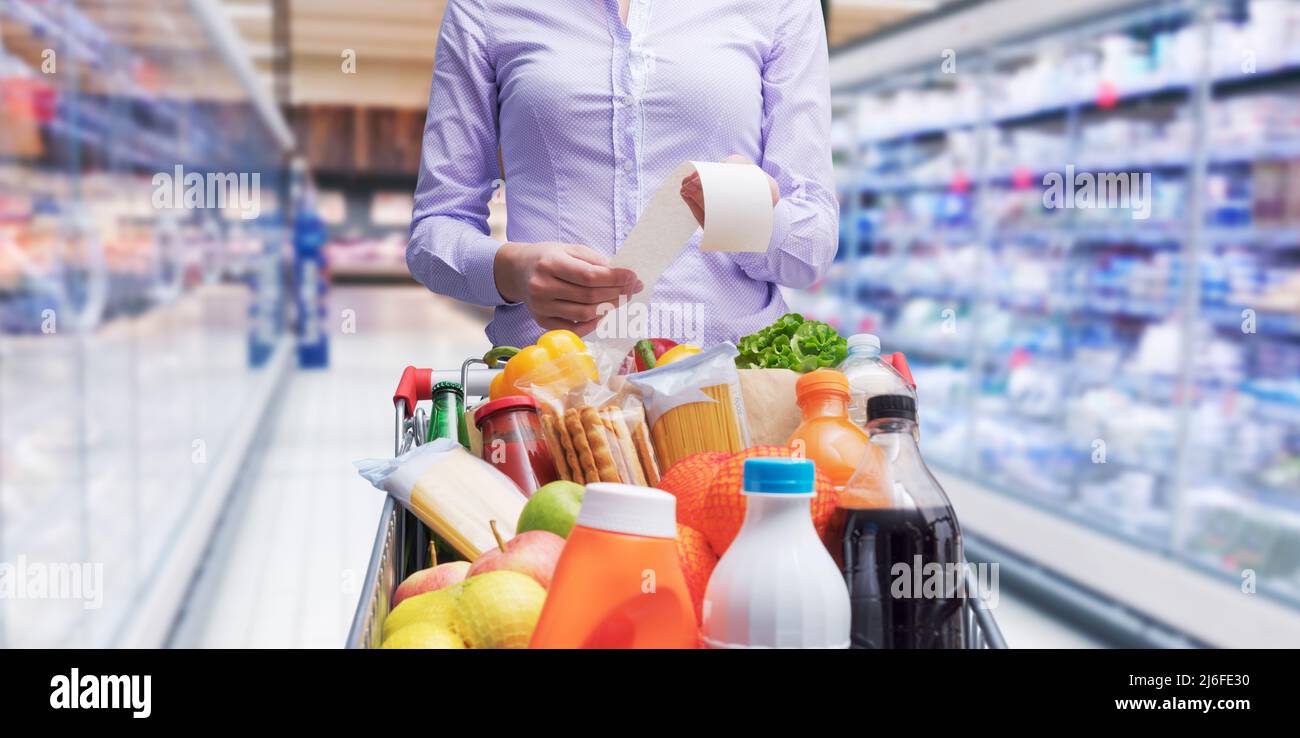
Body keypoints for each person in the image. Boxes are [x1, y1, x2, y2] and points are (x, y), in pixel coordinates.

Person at [407, 0, 837, 347]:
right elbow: (435, 232)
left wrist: (743, 215)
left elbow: (811, 248)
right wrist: (512, 270)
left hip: (730, 393)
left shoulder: (782, 8)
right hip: (553, 394)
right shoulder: (484, 9)